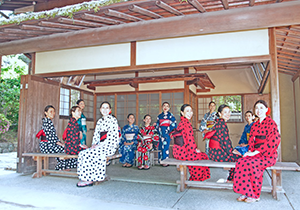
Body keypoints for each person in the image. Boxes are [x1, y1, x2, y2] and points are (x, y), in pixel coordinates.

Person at [234, 100, 280, 203]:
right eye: (257, 108)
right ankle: (245, 191)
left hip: (268, 154)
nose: (258, 110)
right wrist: (249, 151)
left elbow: (274, 140)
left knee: (252, 163)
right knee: (242, 161)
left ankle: (255, 194)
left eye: (261, 108)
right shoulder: (254, 125)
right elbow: (251, 141)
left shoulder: (271, 123)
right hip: (255, 152)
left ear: (267, 110)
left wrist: (255, 152)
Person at [77, 101, 120, 187]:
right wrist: (94, 144)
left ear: (110, 110)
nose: (105, 110)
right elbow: (96, 135)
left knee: (95, 153)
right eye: (103, 108)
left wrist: (101, 145)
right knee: (83, 153)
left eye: (107, 108)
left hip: (109, 145)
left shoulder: (113, 120)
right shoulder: (99, 121)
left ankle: (94, 177)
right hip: (99, 145)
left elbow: (113, 136)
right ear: (100, 110)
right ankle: (85, 177)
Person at [172, 104, 211, 181]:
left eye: (191, 111)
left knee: (202, 155)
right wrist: (194, 150)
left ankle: (195, 178)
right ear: (182, 113)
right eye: (187, 111)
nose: (190, 113)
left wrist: (195, 149)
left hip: (178, 150)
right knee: (201, 157)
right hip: (183, 151)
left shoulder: (183, 122)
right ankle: (196, 178)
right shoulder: (186, 124)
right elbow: (189, 141)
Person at [207, 104, 241, 183]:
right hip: (217, 153)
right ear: (219, 114)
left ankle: (231, 178)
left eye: (229, 112)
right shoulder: (222, 124)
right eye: (225, 112)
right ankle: (231, 179)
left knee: (237, 155)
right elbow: (225, 141)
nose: (228, 114)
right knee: (240, 159)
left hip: (214, 152)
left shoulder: (219, 123)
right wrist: (232, 151)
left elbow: (224, 141)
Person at [39, 105, 74, 170]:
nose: (53, 113)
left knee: (66, 149)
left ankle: (64, 166)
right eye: (51, 111)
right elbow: (51, 138)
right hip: (46, 145)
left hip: (50, 144)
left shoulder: (49, 121)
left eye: (54, 111)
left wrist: (60, 143)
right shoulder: (47, 122)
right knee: (65, 149)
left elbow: (53, 137)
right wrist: (60, 144)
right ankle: (61, 167)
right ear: (45, 113)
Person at [156, 102, 177, 166]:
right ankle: (161, 160)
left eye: (167, 106)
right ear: (162, 107)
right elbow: (157, 125)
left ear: (169, 108)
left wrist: (170, 133)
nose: (165, 107)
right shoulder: (159, 116)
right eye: (164, 106)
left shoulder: (171, 116)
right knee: (160, 147)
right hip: (160, 134)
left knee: (166, 147)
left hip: (167, 134)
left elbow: (173, 125)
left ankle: (166, 161)